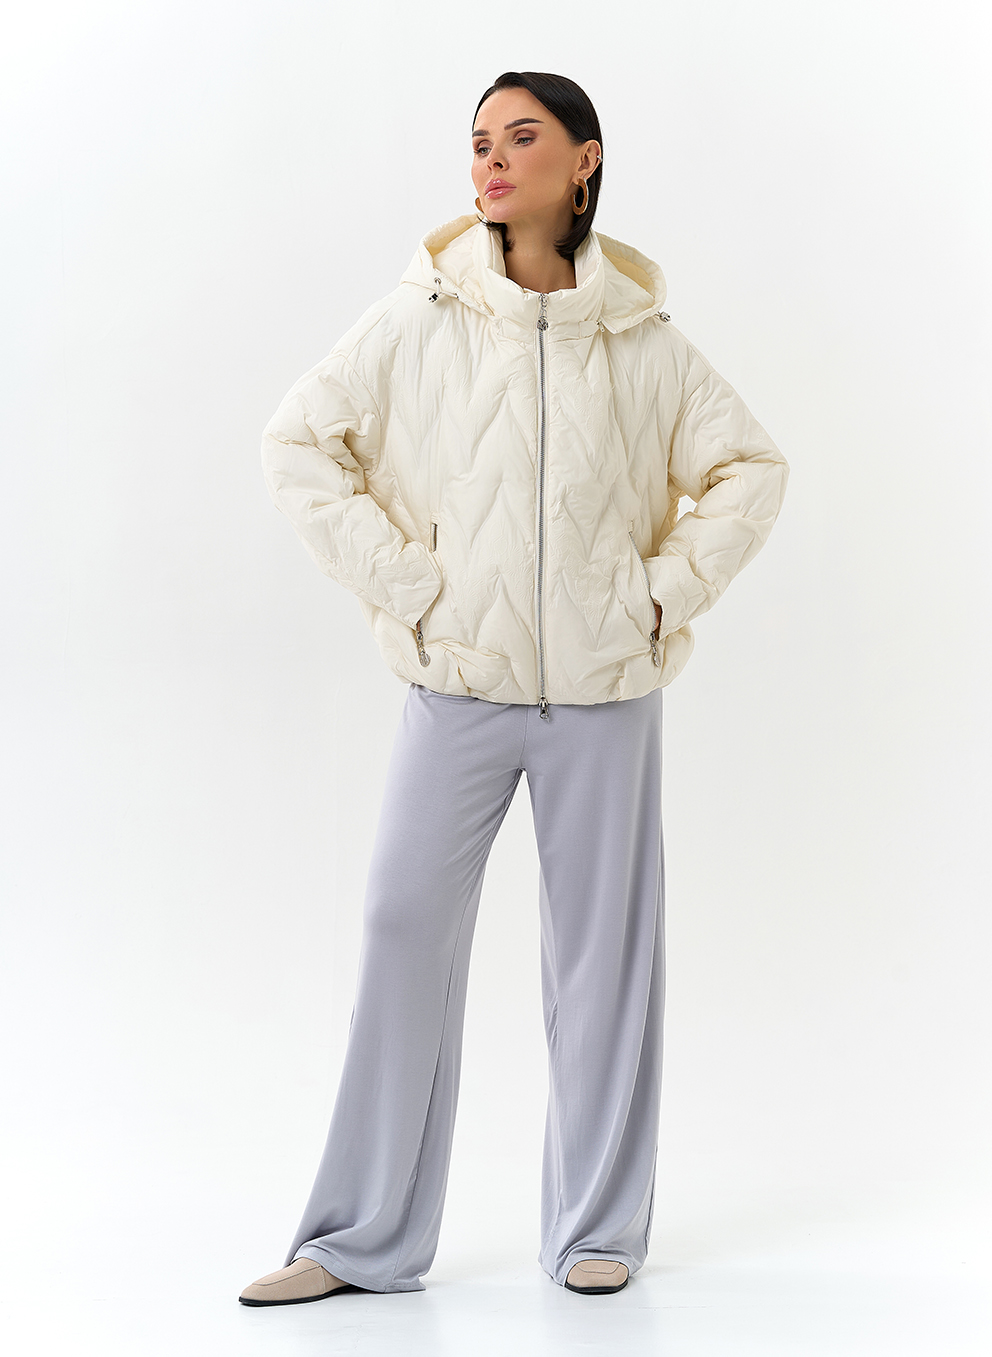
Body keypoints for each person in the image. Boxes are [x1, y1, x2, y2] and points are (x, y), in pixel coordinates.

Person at [240, 70, 789, 1307]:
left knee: (601, 959)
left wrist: (654, 598)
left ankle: (595, 1225)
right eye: (479, 141)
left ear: (582, 160)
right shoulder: (419, 319)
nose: (489, 160)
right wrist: (410, 586)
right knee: (401, 926)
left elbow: (750, 467)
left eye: (520, 137)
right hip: (459, 682)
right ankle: (357, 1237)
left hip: (602, 694)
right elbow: (297, 442)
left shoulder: (641, 341)